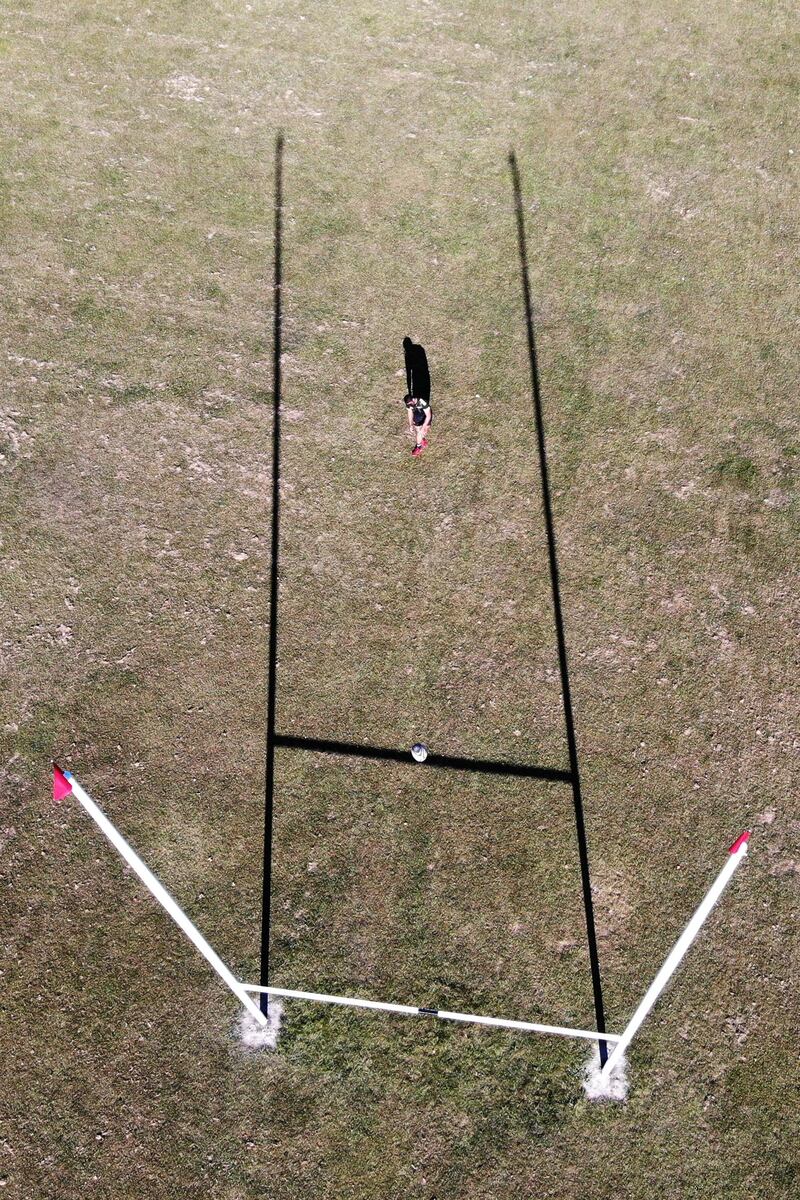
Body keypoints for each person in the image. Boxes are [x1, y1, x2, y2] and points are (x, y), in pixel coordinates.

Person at [402, 336, 432, 457]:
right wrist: (410, 424)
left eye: (410, 405)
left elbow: (429, 414)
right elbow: (410, 412)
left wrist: (425, 425)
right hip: (419, 415)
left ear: (413, 401)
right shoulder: (410, 404)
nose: (409, 407)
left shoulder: (422, 402)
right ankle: (422, 440)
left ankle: (419, 446)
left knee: (420, 430)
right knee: (418, 430)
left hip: (425, 415)